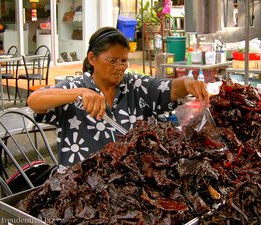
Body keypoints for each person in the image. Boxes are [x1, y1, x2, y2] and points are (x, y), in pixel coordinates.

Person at [27, 27, 209, 167]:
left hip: (128, 188)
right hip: (79, 188)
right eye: (112, 60)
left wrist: (187, 83)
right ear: (92, 58)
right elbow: (35, 100)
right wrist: (79, 93)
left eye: (123, 61)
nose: (119, 67)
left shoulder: (136, 86)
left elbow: (169, 88)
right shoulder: (74, 88)